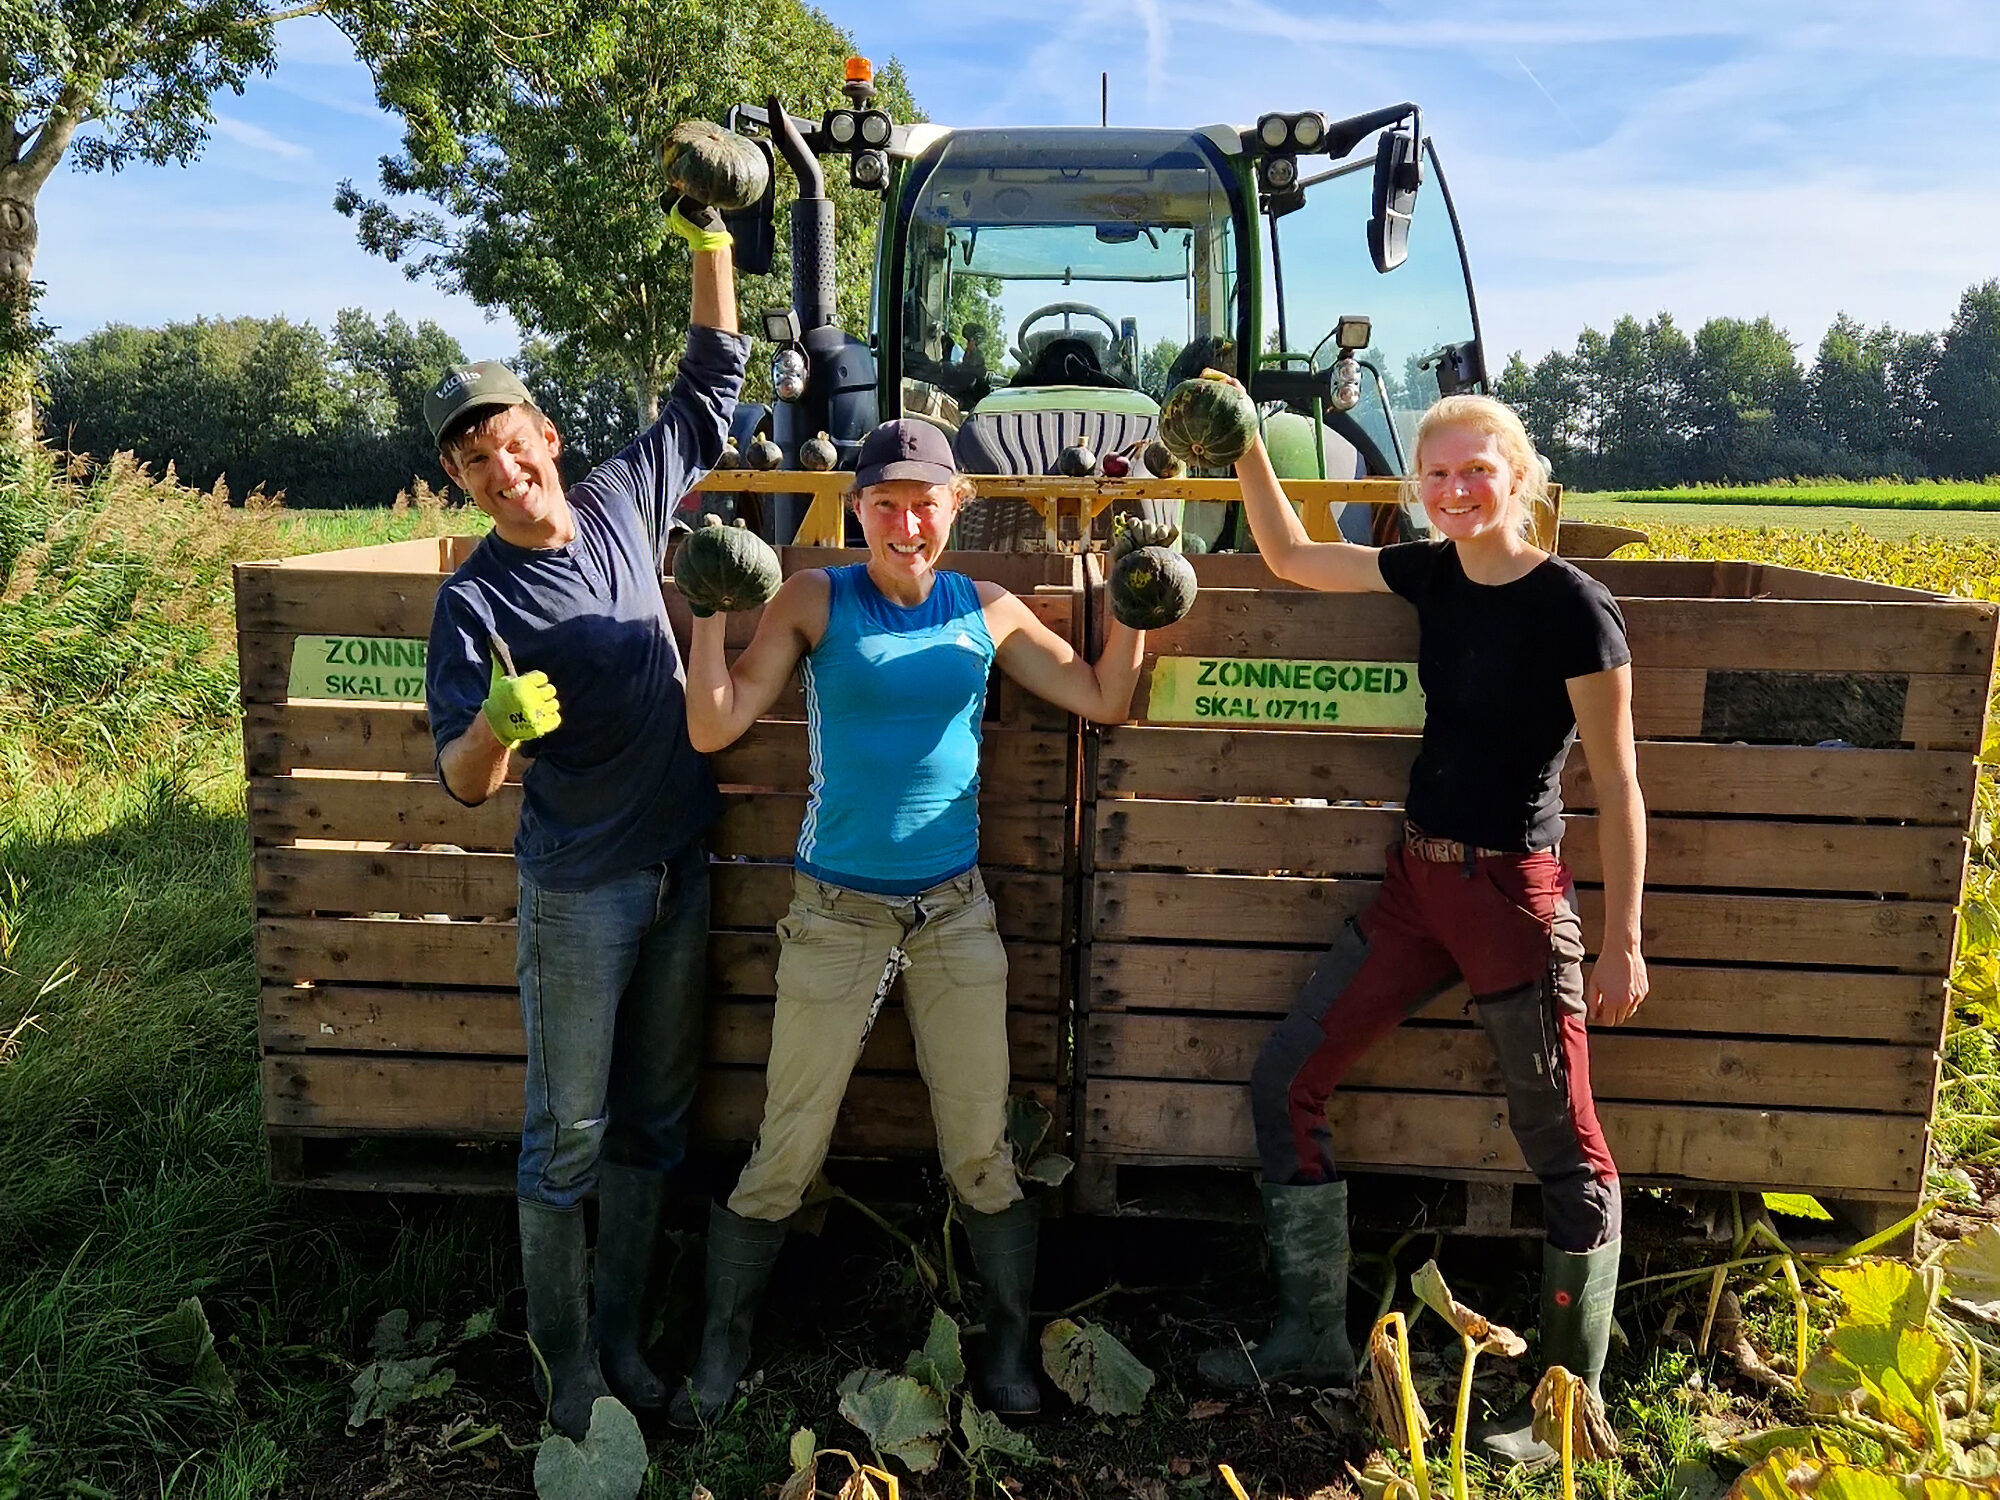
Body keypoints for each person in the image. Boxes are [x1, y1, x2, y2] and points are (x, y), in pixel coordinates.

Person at [669, 418, 1162, 1426]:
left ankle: (1011, 1346)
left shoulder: (984, 608)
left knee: (980, 1147)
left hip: (953, 913)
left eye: (924, 500)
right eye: (885, 501)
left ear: (953, 507)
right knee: (786, 1149)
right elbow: (713, 723)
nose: (906, 519)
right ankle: (720, 1348)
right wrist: (709, 612)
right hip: (835, 912)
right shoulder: (816, 597)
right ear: (858, 508)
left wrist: (1139, 591)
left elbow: (1104, 697)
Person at [1196, 389, 1647, 1468]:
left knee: (1564, 1146)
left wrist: (1623, 939)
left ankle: (1564, 1410)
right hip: (1416, 883)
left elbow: (1620, 787)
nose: (1452, 492)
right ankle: (1310, 1338)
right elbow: (1295, 558)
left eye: (1473, 472)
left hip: (1510, 900)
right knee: (1284, 1081)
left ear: (1520, 478)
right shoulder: (1428, 573)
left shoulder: (1573, 609)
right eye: (1434, 475)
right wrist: (1245, 440)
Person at [421, 199, 747, 1439]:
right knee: (566, 1134)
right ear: (459, 481)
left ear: (544, 438)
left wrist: (709, 237)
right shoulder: (473, 604)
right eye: (471, 465)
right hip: (580, 895)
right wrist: (496, 724)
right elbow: (460, 781)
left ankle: (621, 1337)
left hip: (679, 872)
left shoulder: (620, 500)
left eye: (509, 446)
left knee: (656, 1127)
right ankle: (566, 1369)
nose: (501, 475)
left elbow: (710, 387)